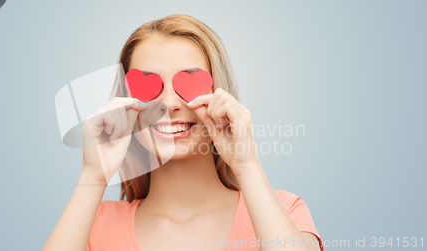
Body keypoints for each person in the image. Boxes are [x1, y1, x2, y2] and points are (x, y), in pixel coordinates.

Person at [42, 14, 323, 251]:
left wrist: (247, 166)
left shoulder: (284, 211)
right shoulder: (93, 224)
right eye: (149, 87)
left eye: (189, 83)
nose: (168, 104)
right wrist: (94, 176)